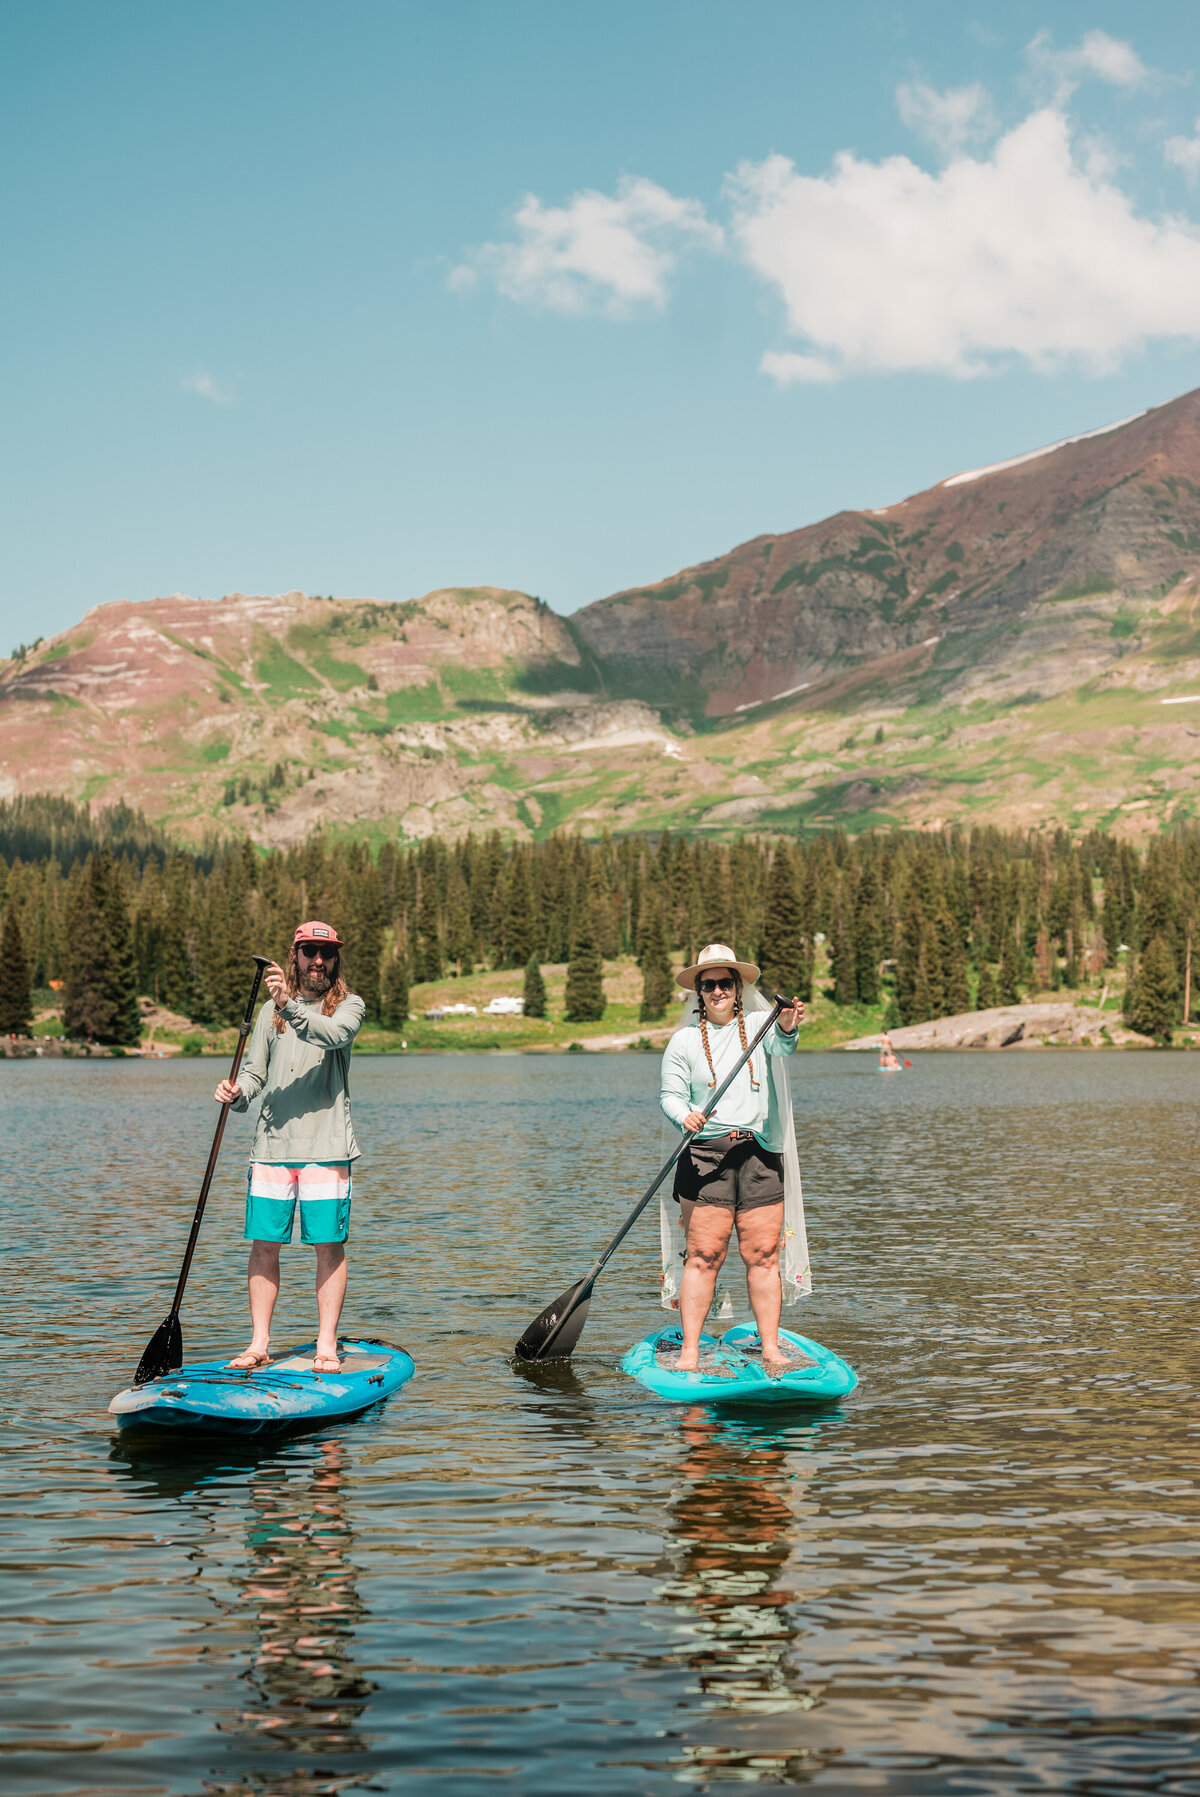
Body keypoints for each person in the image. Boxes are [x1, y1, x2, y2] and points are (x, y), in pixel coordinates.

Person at [214, 921, 365, 1373]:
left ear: (335, 960)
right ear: (295, 955)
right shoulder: (269, 1013)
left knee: (327, 1244)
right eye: (309, 951)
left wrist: (289, 1007)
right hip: (272, 1148)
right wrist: (236, 1092)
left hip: (327, 1147)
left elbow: (334, 1035)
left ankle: (326, 1344)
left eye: (326, 952)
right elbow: (256, 1074)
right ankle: (259, 1344)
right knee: (264, 1246)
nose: (318, 960)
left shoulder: (349, 1006)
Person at [659, 943, 805, 1371]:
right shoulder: (683, 1041)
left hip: (759, 1153)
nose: (718, 990)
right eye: (709, 985)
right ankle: (689, 1354)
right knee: (704, 1256)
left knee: (762, 1255)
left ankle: (771, 1349)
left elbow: (783, 1046)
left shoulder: (761, 1025)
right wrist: (684, 1114)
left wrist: (790, 1025)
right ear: (699, 992)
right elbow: (670, 1094)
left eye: (726, 982)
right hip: (705, 1156)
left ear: (738, 988)